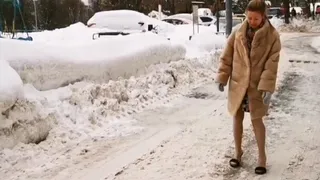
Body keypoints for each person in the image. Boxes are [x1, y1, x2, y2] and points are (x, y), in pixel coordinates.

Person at [215, 0, 281, 175]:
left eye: (255, 18)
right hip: (238, 83)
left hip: (256, 86)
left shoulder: (272, 36)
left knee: (256, 120)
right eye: (249, 17)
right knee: (236, 117)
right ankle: (238, 152)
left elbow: (271, 64)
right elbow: (227, 56)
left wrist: (267, 87)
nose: (251, 21)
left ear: (263, 16)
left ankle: (262, 157)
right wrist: (222, 77)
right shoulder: (238, 32)